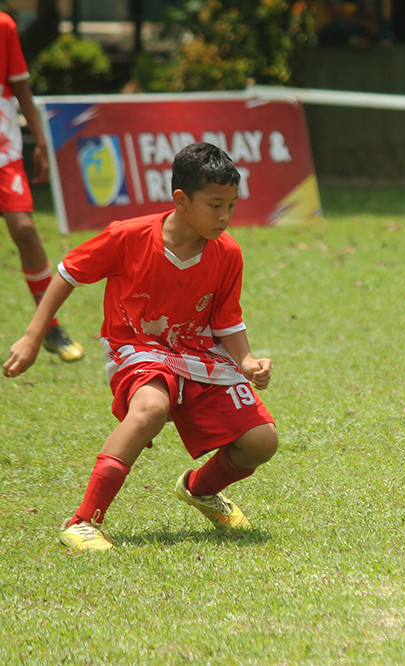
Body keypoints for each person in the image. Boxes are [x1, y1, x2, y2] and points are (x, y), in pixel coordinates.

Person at [3, 143, 278, 552]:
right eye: (215, 205)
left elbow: (225, 319)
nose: (225, 216)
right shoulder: (128, 236)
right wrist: (33, 335)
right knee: (150, 408)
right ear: (181, 200)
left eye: (232, 206)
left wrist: (247, 360)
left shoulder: (228, 253)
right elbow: (68, 273)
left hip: (197, 353)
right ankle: (82, 522)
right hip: (137, 346)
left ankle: (200, 489)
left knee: (261, 441)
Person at [1, 11, 83, 362]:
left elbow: (21, 87)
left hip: (4, 153)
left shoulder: (4, 26)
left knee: (25, 229)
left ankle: (49, 326)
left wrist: (41, 142)